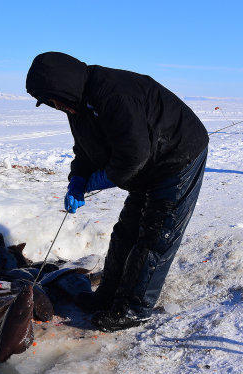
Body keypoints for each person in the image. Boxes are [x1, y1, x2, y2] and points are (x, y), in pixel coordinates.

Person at [26, 52, 209, 332]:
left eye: (51, 99)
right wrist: (78, 178)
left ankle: (135, 308)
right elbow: (85, 148)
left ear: (61, 86)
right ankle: (109, 296)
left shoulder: (113, 94)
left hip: (176, 156)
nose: (53, 106)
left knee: (156, 236)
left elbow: (134, 155)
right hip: (146, 163)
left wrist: (101, 178)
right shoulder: (77, 103)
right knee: (126, 233)